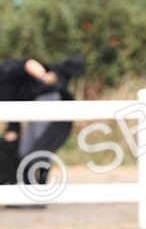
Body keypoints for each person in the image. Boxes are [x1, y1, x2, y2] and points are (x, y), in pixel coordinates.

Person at [0, 55, 85, 183]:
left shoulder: (4, 73)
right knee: (35, 150)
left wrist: (43, 77)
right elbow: (12, 111)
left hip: (49, 100)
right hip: (45, 103)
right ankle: (35, 190)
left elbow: (28, 63)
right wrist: (12, 132)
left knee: (31, 151)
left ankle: (37, 190)